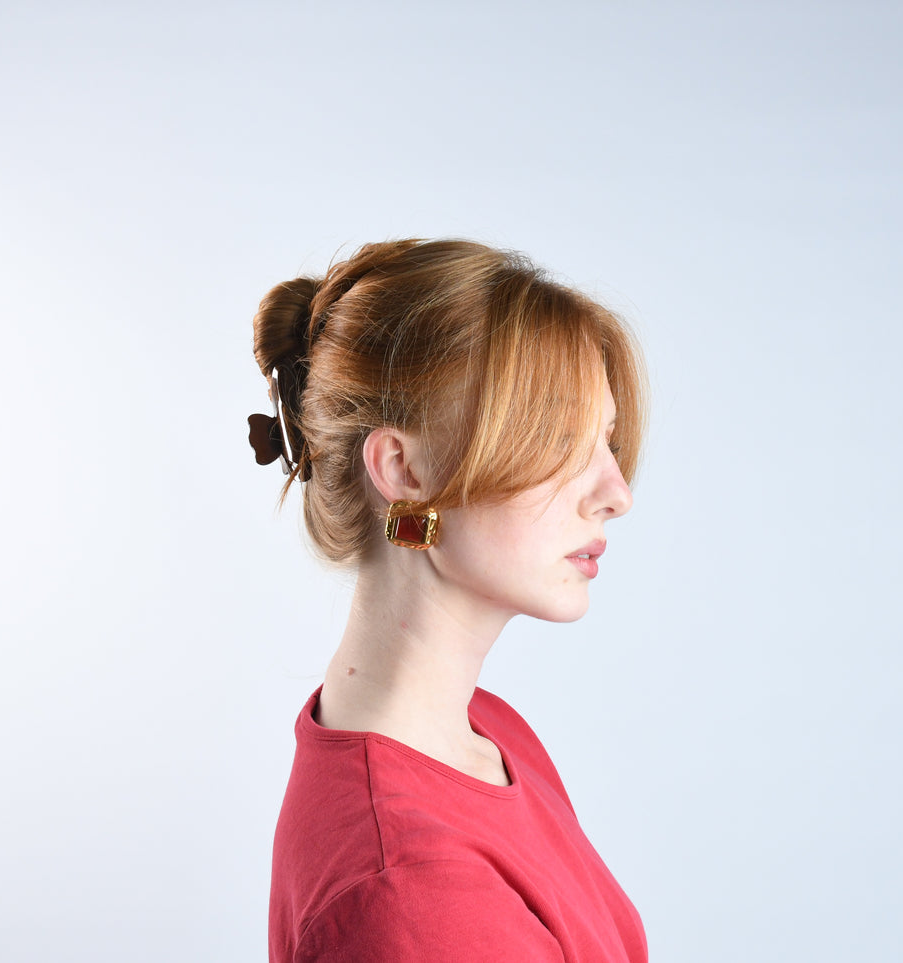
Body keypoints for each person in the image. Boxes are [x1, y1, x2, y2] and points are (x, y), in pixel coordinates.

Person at [248, 239, 649, 962]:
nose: (615, 493)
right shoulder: (411, 889)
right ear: (403, 468)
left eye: (607, 440)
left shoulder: (487, 733)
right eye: (557, 438)